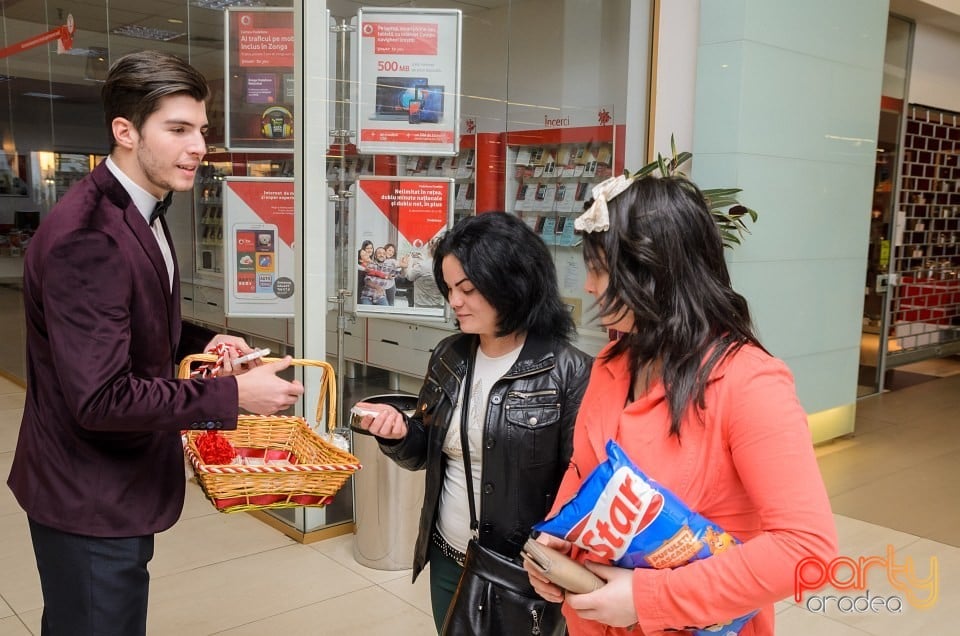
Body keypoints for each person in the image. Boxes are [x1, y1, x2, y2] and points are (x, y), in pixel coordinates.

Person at [7, 51, 305, 636]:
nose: (198, 146)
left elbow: (127, 317)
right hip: (90, 496)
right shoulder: (87, 236)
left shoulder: (140, 208)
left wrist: (202, 338)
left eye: (201, 130)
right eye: (177, 129)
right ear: (124, 131)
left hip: (114, 485)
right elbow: (101, 400)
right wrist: (234, 396)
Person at [524, 174, 838, 635]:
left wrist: (647, 599)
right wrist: (553, 540)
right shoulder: (612, 364)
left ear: (651, 273)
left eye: (598, 269)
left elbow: (806, 550)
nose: (589, 287)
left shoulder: (748, 382)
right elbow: (584, 471)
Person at [353, 212, 593, 632]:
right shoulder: (450, 355)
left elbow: (584, 489)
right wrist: (399, 434)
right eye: (449, 289)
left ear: (511, 283)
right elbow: (425, 450)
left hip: (524, 574)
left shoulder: (568, 372)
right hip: (449, 557)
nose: (455, 302)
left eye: (468, 289)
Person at [400, 236, 443, 309]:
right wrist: (424, 260)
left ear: (429, 248)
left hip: (422, 306)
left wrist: (410, 261)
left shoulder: (422, 266)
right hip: (438, 305)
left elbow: (410, 276)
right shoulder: (443, 265)